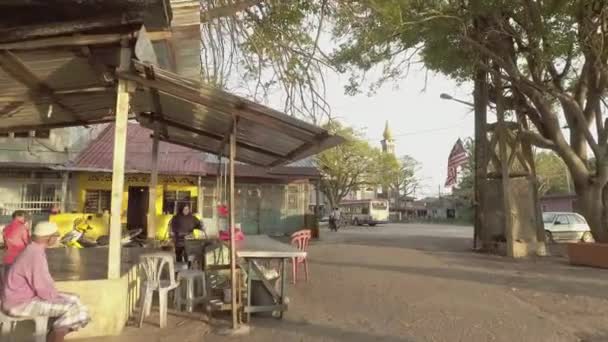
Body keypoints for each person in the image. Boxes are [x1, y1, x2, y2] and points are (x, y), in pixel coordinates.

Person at [2, 221, 90, 342]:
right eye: (56, 235)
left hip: (22, 299)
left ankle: (54, 333)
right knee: (73, 309)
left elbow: (43, 285)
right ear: (48, 238)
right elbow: (42, 287)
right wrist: (57, 298)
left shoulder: (33, 250)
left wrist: (57, 297)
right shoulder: (35, 255)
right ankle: (53, 337)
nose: (57, 238)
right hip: (19, 304)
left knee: (75, 299)